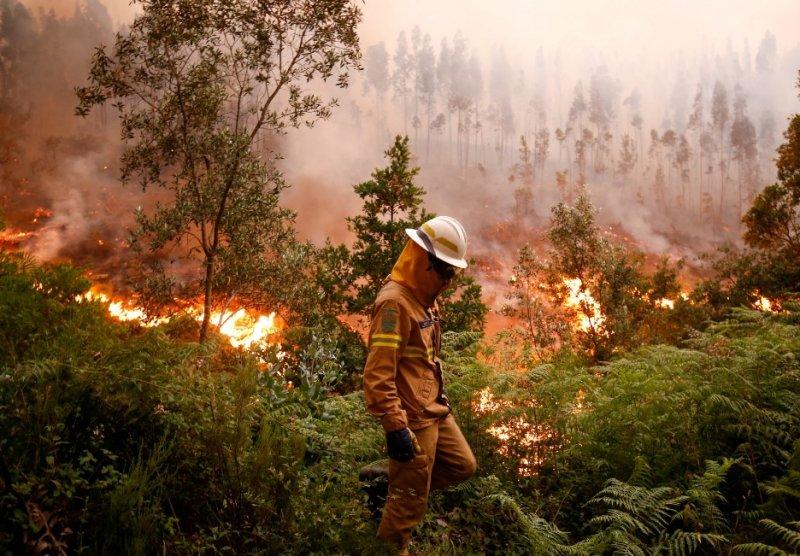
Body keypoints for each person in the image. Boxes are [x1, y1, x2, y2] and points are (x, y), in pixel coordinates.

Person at [362, 216, 477, 554]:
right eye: (444, 270)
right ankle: (389, 545)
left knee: (463, 466)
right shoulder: (395, 305)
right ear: (423, 260)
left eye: (451, 272)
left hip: (434, 408)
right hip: (413, 418)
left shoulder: (424, 296)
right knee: (407, 509)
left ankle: (387, 481)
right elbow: (378, 374)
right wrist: (395, 428)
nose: (448, 279)